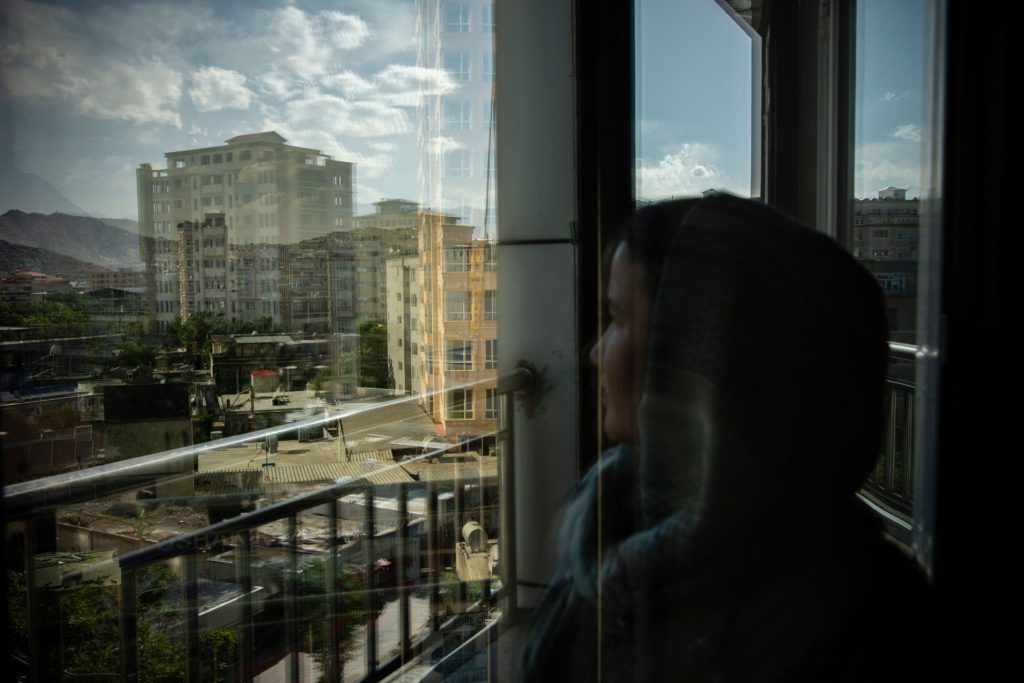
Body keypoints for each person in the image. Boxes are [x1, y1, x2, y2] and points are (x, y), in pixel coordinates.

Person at [520, 194, 930, 681]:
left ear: (700, 353)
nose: (594, 353)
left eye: (618, 320)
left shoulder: (867, 617)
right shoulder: (615, 519)